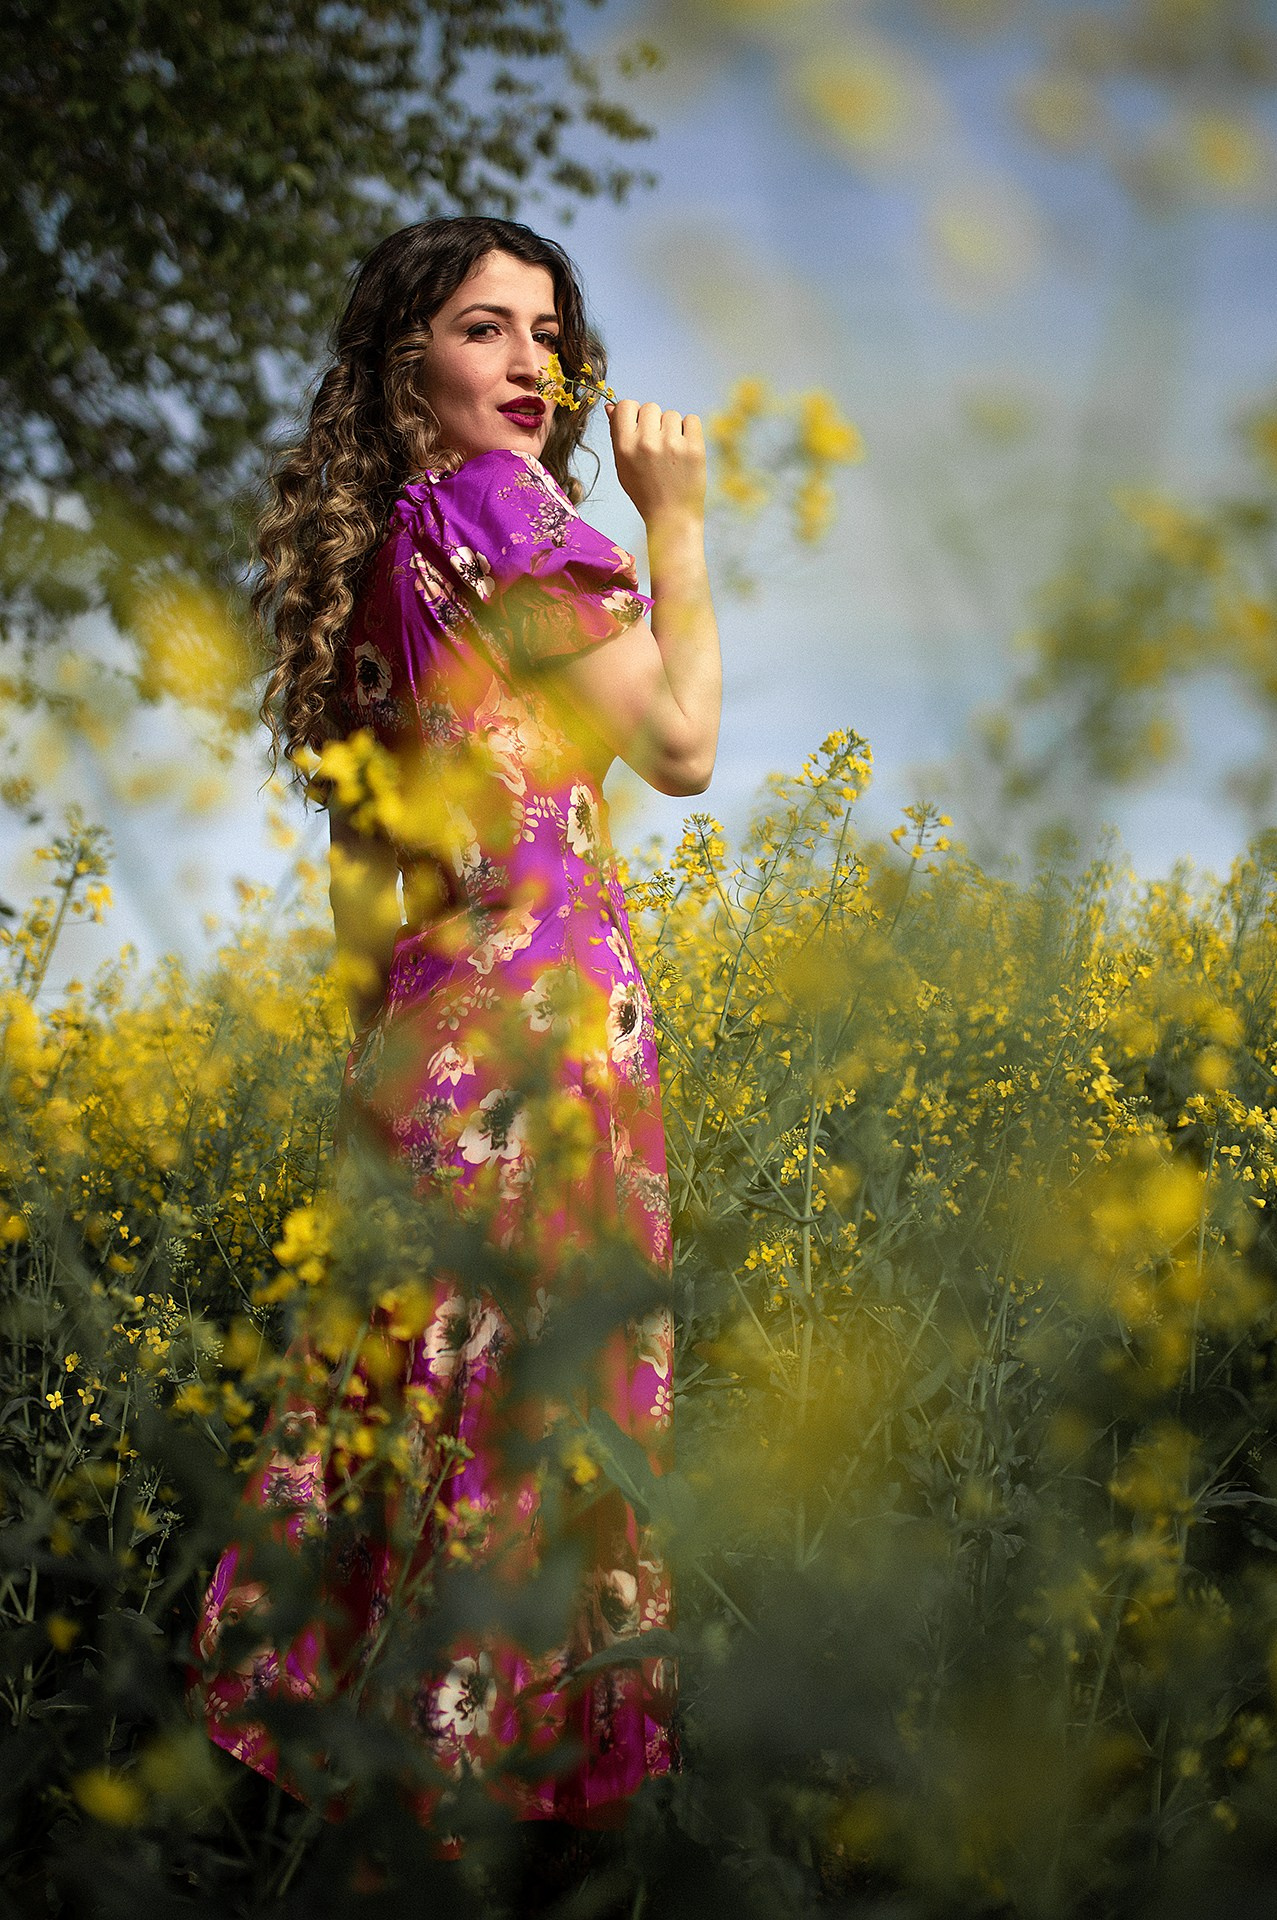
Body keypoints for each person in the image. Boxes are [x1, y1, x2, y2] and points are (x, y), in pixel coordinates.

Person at [186, 216, 722, 1857]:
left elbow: (371, 885)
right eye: (483, 330)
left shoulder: (368, 567)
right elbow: (684, 745)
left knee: (415, 1411)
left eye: (546, 333)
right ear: (404, 367)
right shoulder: (502, 512)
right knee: (537, 1415)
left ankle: (334, 1801)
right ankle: (488, 1823)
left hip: (424, 1043)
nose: (531, 364)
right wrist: (678, 527)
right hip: (547, 1033)